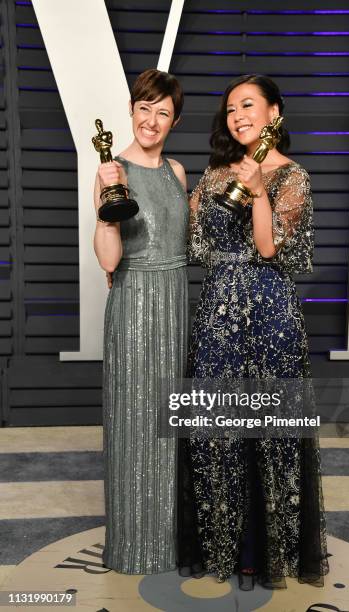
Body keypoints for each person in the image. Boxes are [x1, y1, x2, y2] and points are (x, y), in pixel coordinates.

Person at [178, 74, 329, 589]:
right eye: (230, 109)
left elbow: (269, 249)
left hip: (269, 310)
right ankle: (222, 544)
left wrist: (260, 192)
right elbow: (191, 237)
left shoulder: (294, 176)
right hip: (219, 310)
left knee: (270, 432)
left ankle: (268, 553)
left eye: (248, 105)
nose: (238, 115)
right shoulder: (216, 173)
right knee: (216, 430)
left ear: (274, 113)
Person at [94, 69, 189, 574]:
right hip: (132, 304)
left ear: (173, 121)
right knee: (134, 423)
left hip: (175, 304)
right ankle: (133, 547)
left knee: (169, 425)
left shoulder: (176, 171)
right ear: (131, 109)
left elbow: (182, 242)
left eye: (163, 112)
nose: (151, 120)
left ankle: (170, 545)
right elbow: (109, 261)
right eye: (144, 107)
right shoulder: (111, 169)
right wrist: (107, 208)